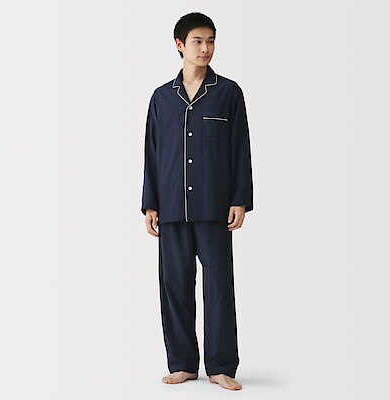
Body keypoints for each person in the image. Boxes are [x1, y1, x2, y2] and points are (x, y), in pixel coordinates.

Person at [141, 12, 253, 391]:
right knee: (175, 286)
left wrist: (239, 198)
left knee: (219, 285)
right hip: (172, 206)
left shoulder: (228, 93)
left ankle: (221, 366)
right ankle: (183, 364)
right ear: (180, 45)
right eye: (197, 41)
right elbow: (152, 153)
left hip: (214, 206)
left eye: (210, 41)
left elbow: (240, 148)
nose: (205, 48)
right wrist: (150, 203)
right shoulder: (161, 98)